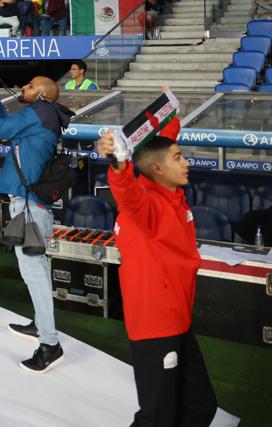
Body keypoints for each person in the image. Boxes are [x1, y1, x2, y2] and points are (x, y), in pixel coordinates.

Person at [95, 111, 217, 426]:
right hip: (156, 327)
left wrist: (168, 110)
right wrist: (118, 162)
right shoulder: (145, 206)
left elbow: (161, 146)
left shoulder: (170, 194)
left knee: (200, 405)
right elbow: (127, 192)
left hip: (178, 320)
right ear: (157, 169)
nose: (186, 162)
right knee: (158, 417)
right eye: (178, 158)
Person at [0, 74, 74, 373]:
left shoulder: (41, 112)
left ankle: (49, 344)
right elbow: (7, 129)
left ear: (42, 94)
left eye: (29, 86)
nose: (22, 87)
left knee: (35, 273)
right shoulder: (45, 115)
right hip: (31, 204)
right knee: (37, 268)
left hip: (29, 205)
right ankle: (40, 324)